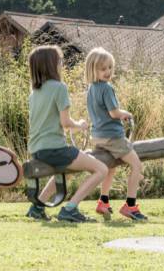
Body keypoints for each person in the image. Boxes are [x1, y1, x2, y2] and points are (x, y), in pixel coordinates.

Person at [25, 45, 108, 222]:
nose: (61, 64)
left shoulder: (34, 94)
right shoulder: (59, 87)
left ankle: (38, 207)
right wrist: (80, 124)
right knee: (101, 169)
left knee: (69, 168)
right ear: (51, 64)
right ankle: (70, 209)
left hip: (38, 150)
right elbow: (65, 123)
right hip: (55, 149)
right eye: (60, 61)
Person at [85, 47, 147, 221]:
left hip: (98, 137)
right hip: (113, 136)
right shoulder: (106, 88)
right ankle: (131, 205)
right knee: (136, 165)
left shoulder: (91, 89)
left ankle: (103, 201)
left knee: (110, 168)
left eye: (110, 67)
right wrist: (126, 114)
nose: (107, 72)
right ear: (93, 69)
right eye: (103, 68)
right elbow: (113, 113)